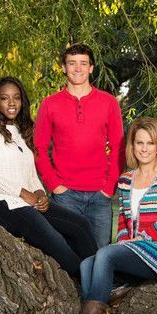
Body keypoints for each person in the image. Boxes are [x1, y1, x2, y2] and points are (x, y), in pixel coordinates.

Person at [52, 117, 157, 314]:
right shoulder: (126, 179)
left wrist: (139, 241)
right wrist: (127, 242)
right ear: (132, 146)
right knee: (86, 264)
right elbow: (124, 223)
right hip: (137, 250)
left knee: (105, 254)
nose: (144, 148)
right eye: (139, 143)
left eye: (150, 143)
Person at [0, 76, 97, 277]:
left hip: (24, 201)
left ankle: (105, 278)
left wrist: (39, 192)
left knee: (80, 225)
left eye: (17, 98)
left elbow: (30, 173)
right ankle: (94, 286)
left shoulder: (21, 132)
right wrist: (24, 193)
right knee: (55, 240)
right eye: (5, 98)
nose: (12, 103)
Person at [34, 43, 125, 248]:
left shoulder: (109, 103)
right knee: (68, 259)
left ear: (91, 68)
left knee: (100, 257)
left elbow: (119, 147)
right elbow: (39, 148)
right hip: (65, 197)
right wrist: (55, 186)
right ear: (64, 68)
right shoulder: (49, 104)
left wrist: (109, 187)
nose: (78, 68)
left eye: (83, 63)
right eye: (72, 63)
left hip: (100, 196)